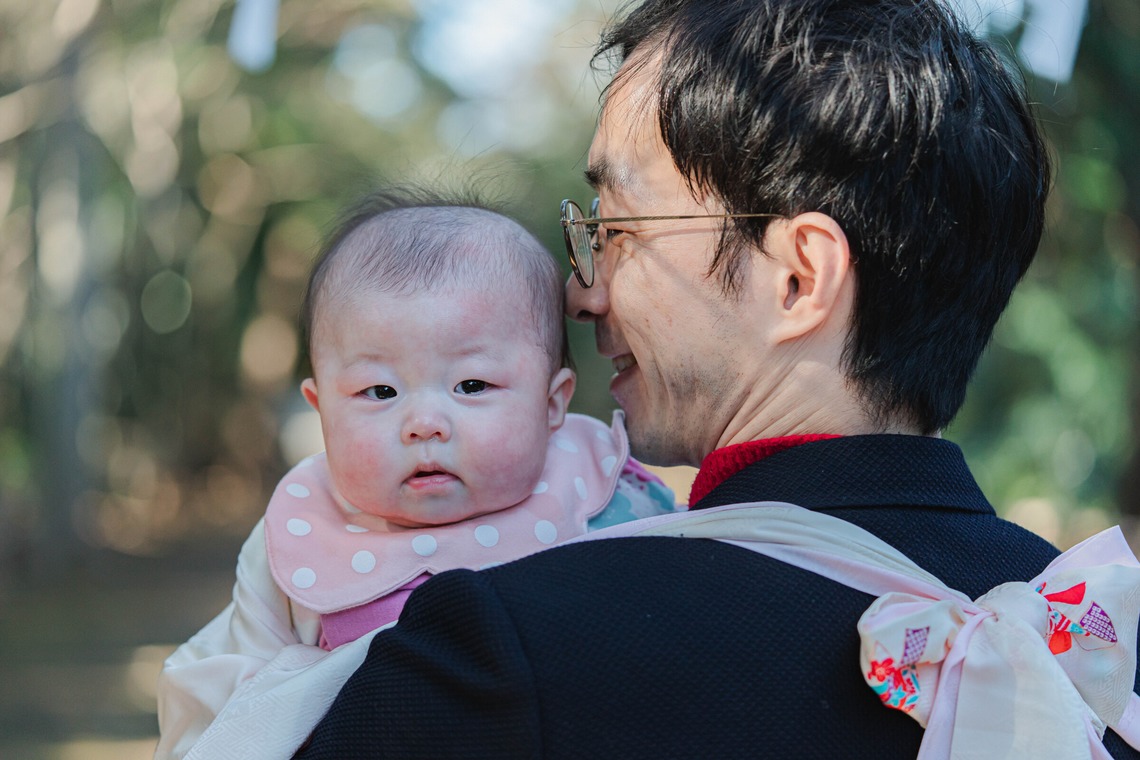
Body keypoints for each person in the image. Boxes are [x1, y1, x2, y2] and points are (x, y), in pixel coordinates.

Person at [293, 1, 1140, 758]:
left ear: (799, 277)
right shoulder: (1098, 643)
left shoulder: (506, 654)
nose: (581, 294)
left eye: (615, 228)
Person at [153, 189, 679, 759]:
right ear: (321, 407)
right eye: (379, 391)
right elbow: (226, 702)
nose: (424, 423)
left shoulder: (606, 498)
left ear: (553, 405)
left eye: (471, 386)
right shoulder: (306, 535)